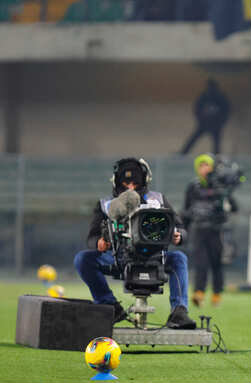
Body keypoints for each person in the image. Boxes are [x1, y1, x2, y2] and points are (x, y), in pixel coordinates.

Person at [74, 157, 196, 329]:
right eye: (126, 183)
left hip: (155, 257)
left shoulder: (158, 200)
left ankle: (179, 312)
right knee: (83, 259)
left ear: (144, 181)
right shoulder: (105, 205)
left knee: (179, 258)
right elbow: (91, 238)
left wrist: (179, 236)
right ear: (117, 182)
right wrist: (99, 243)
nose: (130, 188)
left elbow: (180, 227)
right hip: (119, 258)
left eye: (135, 183)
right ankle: (109, 306)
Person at [183, 153, 238, 307]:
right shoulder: (193, 186)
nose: (204, 169)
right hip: (199, 229)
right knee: (201, 263)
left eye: (206, 165)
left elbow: (233, 207)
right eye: (201, 165)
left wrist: (224, 195)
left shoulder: (220, 186)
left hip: (216, 229)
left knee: (216, 262)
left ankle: (216, 294)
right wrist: (183, 229)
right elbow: (186, 208)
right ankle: (199, 293)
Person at [180, 78, 230, 155]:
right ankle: (183, 153)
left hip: (216, 124)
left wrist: (221, 121)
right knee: (194, 139)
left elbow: (227, 110)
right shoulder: (204, 96)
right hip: (204, 124)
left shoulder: (220, 97)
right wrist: (201, 119)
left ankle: (216, 157)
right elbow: (197, 109)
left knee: (216, 143)